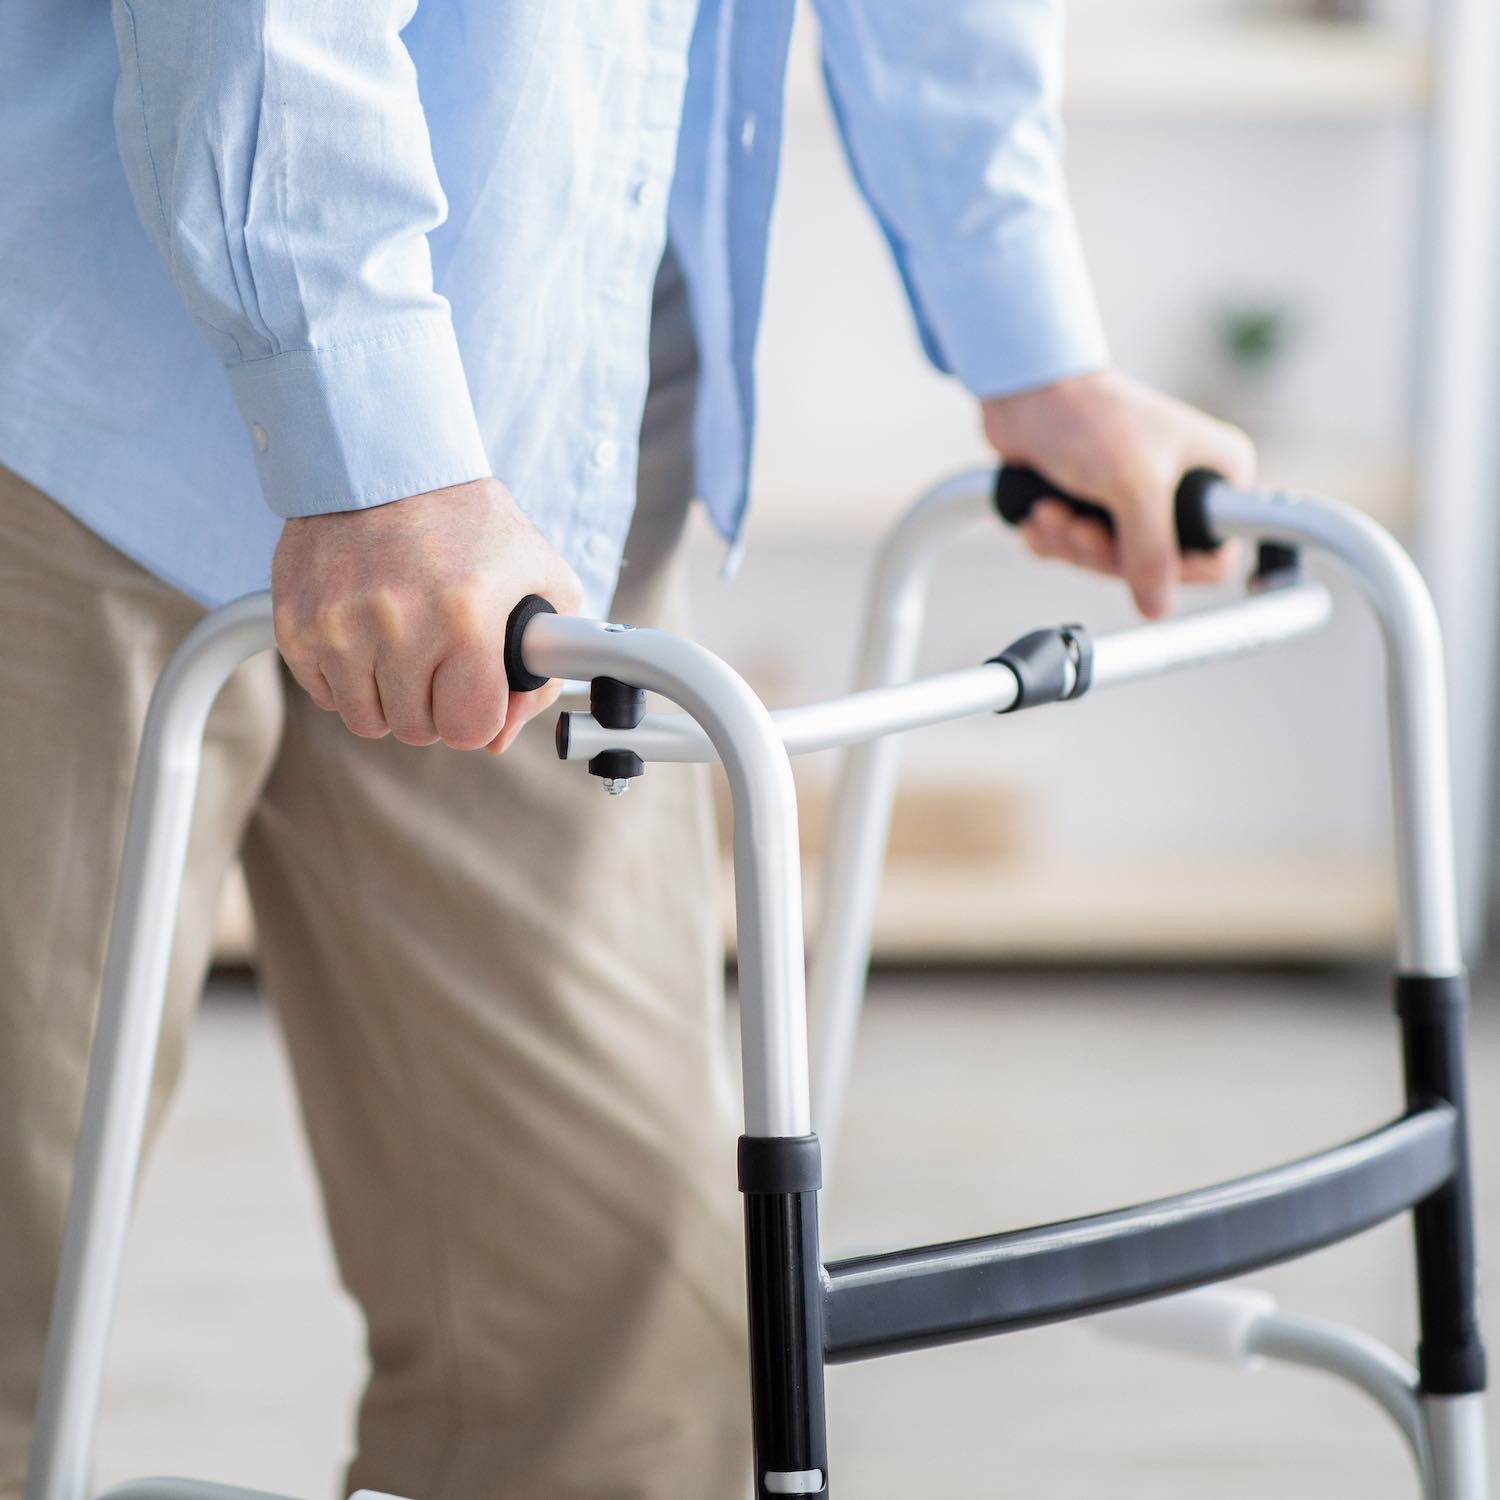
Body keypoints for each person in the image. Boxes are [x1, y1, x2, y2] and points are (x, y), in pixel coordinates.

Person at [0, 2, 1255, 1496]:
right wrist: (370, 442)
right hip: (78, 382)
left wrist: (1030, 334)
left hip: (539, 441)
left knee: (625, 1351)